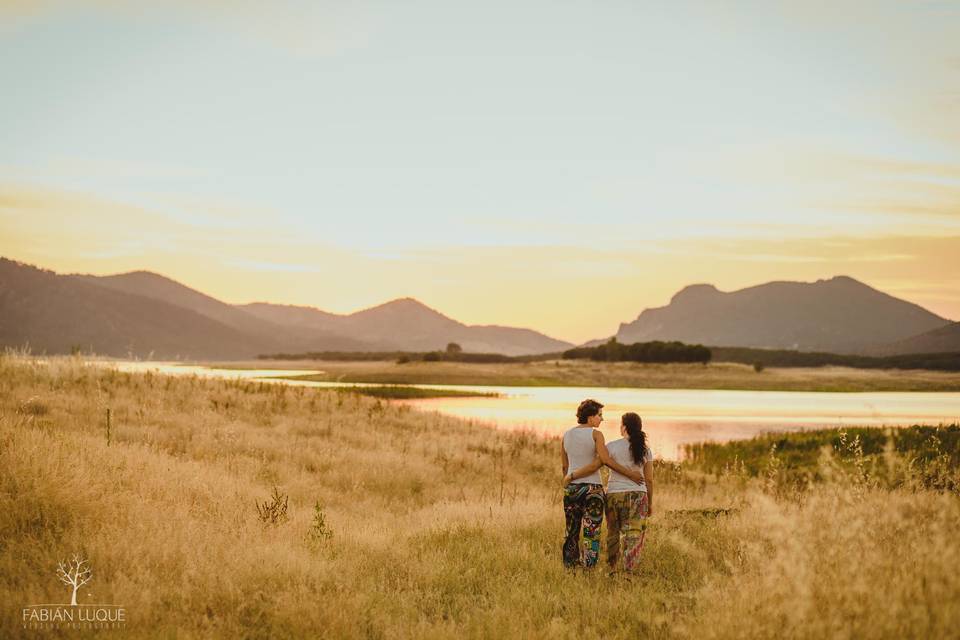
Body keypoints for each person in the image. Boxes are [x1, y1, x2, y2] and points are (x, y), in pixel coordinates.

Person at [560, 399, 646, 569]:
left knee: (572, 530)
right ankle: (589, 568)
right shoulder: (596, 435)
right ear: (590, 417)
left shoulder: (566, 435)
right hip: (593, 489)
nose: (602, 419)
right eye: (599, 415)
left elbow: (564, 466)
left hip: (572, 488)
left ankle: (570, 567)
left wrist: (570, 479)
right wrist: (630, 473)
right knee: (591, 532)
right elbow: (603, 460)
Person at [602, 412, 654, 572]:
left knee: (613, 532)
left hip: (614, 494)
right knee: (634, 534)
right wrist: (650, 503)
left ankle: (611, 568)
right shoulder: (645, 449)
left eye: (620, 424)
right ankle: (629, 572)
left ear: (624, 427)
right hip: (638, 495)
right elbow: (649, 480)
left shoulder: (611, 446)